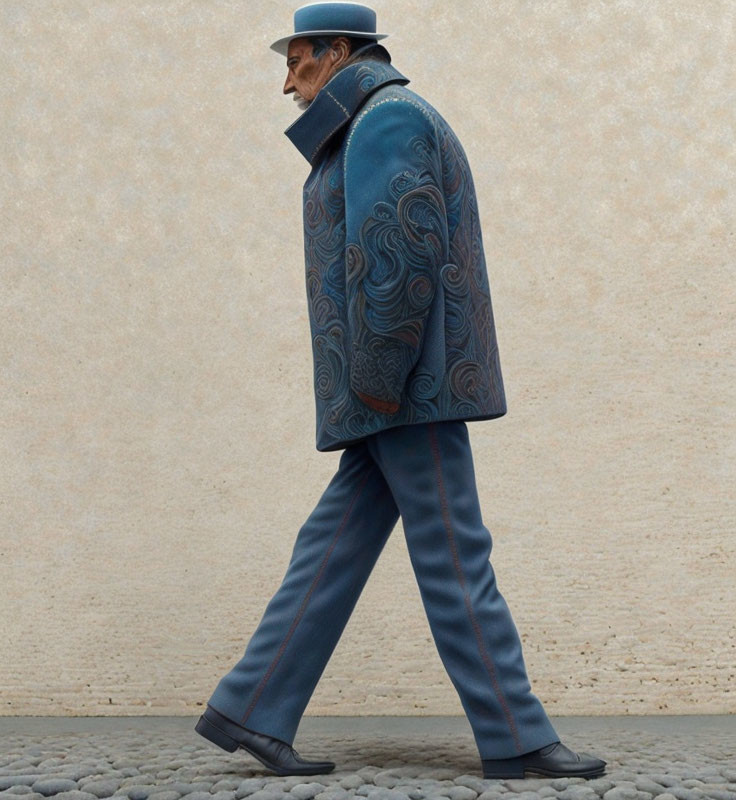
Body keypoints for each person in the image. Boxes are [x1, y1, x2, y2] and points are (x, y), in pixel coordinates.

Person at [195, 1, 607, 781]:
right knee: (447, 551)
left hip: (410, 381)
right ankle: (516, 737)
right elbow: (388, 256)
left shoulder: (384, 121)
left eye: (297, 61)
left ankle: (251, 705)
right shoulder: (370, 124)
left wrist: (379, 383)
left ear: (340, 50)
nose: (287, 82)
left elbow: (394, 258)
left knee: (383, 546)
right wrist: (378, 384)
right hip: (401, 384)